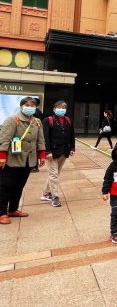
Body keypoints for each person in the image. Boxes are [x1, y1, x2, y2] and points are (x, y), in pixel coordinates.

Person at [0, 96, 46, 225]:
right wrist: (2, 156)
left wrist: (42, 155)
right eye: (27, 105)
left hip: (28, 160)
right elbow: (4, 139)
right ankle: (2, 213)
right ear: (21, 106)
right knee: (5, 186)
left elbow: (40, 140)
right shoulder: (12, 119)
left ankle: (13, 209)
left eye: (33, 106)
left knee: (19, 185)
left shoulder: (37, 121)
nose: (30, 107)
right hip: (12, 159)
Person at [41, 101, 75, 207]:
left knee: (55, 173)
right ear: (54, 109)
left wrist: (72, 148)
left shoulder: (68, 120)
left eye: (64, 108)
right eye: (59, 107)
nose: (62, 109)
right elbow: (45, 137)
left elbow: (72, 134)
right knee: (53, 174)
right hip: (51, 152)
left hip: (64, 151)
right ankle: (55, 197)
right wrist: (47, 151)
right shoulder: (48, 120)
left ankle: (46, 193)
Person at [30, 97, 44, 173]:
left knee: (34, 150)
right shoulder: (38, 111)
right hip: (34, 133)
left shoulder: (35, 112)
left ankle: (34, 167)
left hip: (34, 134)